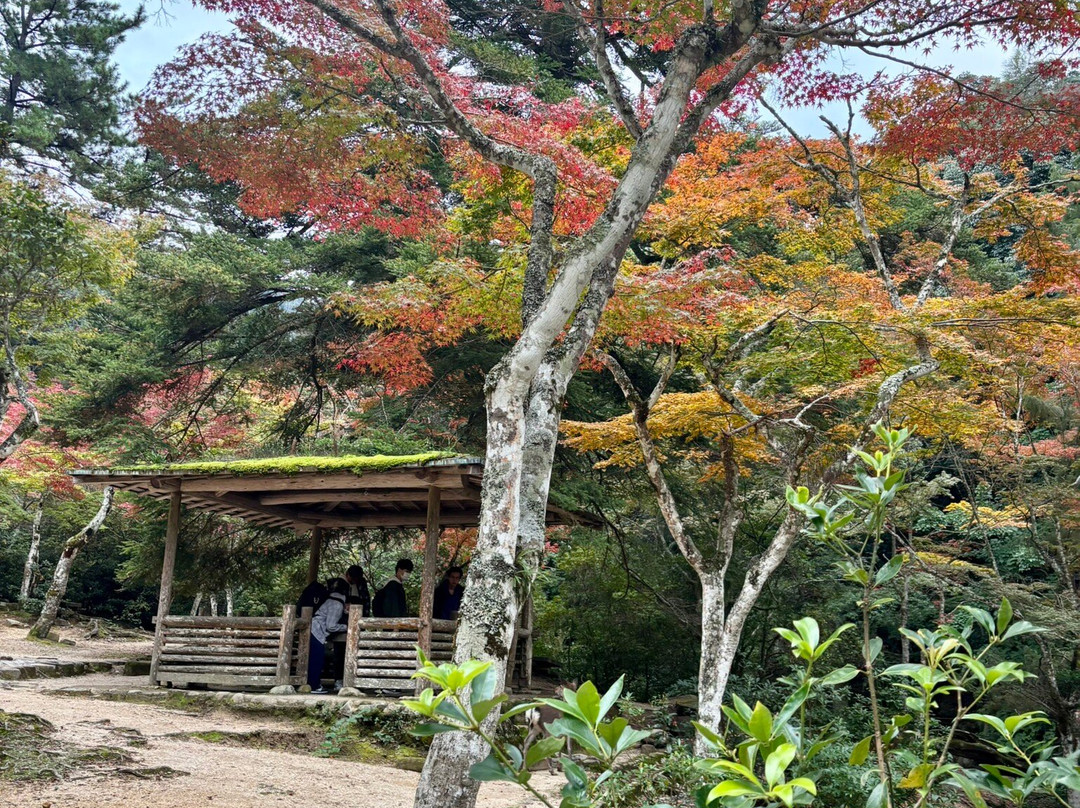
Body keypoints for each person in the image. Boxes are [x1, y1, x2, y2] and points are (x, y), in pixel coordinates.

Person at [328, 564, 372, 689]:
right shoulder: (338, 584)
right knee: (340, 651)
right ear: (348, 575)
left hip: (358, 619)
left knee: (357, 651)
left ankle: (355, 678)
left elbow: (366, 599)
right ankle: (338, 679)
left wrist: (365, 618)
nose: (355, 581)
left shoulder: (361, 583)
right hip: (341, 622)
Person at [308, 577, 349, 694]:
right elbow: (331, 626)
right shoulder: (337, 604)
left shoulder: (332, 600)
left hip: (315, 629)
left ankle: (313, 684)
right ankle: (314, 686)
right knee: (317, 659)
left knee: (315, 658)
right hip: (317, 631)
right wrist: (346, 627)